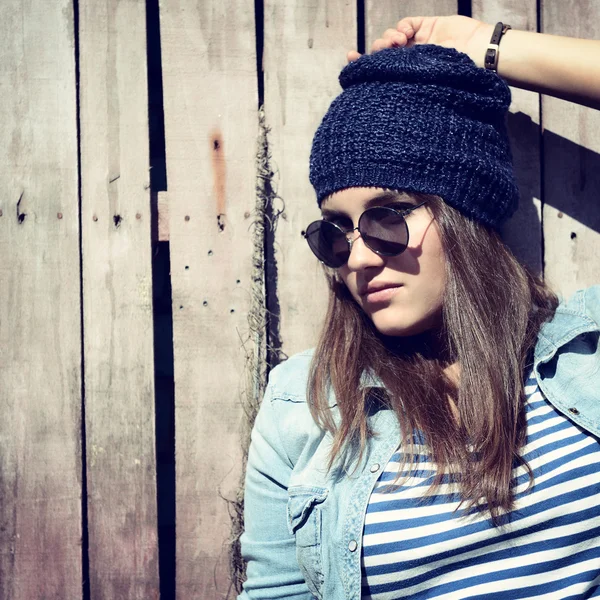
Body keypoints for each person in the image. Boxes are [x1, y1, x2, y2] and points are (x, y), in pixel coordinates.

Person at [238, 15, 600, 600]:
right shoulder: (303, 411)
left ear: (465, 213)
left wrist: (492, 48)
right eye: (336, 232)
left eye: (387, 217)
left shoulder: (587, 354)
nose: (356, 258)